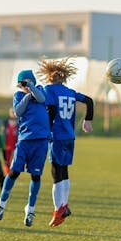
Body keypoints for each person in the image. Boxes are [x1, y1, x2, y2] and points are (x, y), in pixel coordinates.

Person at [37, 57, 93, 227]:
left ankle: (57, 210)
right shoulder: (69, 91)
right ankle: (64, 205)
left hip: (57, 136)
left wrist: (46, 128)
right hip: (69, 136)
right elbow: (89, 100)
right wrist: (87, 120)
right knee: (64, 171)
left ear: (48, 77)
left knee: (56, 173)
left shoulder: (48, 90)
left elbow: (52, 109)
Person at [0, 70, 50, 227]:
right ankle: (1, 203)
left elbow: (41, 98)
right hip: (25, 140)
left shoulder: (41, 90)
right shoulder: (18, 96)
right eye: (23, 82)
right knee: (14, 172)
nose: (25, 84)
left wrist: (32, 87)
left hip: (41, 141)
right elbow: (18, 111)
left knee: (36, 176)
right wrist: (26, 94)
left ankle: (30, 209)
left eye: (28, 81)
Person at [3, 108, 18, 175]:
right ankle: (7, 173)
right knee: (7, 160)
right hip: (7, 144)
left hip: (15, 144)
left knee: (15, 159)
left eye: (14, 112)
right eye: (12, 112)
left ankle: (13, 172)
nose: (13, 114)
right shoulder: (6, 122)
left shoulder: (19, 123)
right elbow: (4, 134)